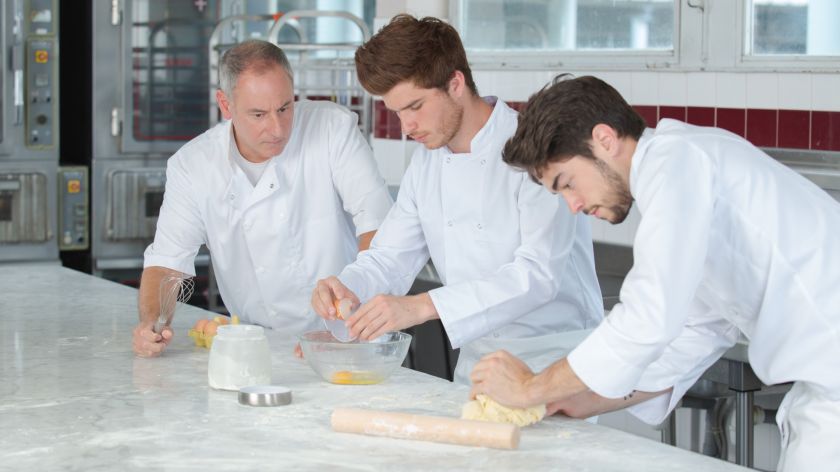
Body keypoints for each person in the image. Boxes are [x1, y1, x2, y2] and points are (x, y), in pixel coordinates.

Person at [472, 74, 840, 470]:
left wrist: (531, 387)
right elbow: (695, 333)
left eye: (568, 183)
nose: (573, 205)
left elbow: (648, 317)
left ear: (605, 140)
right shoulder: (684, 174)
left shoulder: (676, 161)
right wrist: (580, 397)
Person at [310, 16, 603, 384]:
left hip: (557, 359)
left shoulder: (534, 148)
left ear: (455, 83)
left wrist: (422, 306)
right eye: (396, 112)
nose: (406, 127)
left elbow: (536, 276)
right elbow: (390, 256)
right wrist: (347, 285)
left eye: (415, 106)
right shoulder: (427, 162)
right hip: (480, 364)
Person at [133, 40, 393, 358]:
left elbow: (378, 228)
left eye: (285, 108)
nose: (277, 128)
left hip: (349, 336)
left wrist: (350, 316)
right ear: (225, 106)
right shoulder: (193, 165)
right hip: (254, 346)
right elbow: (166, 264)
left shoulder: (331, 129)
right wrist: (152, 324)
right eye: (258, 114)